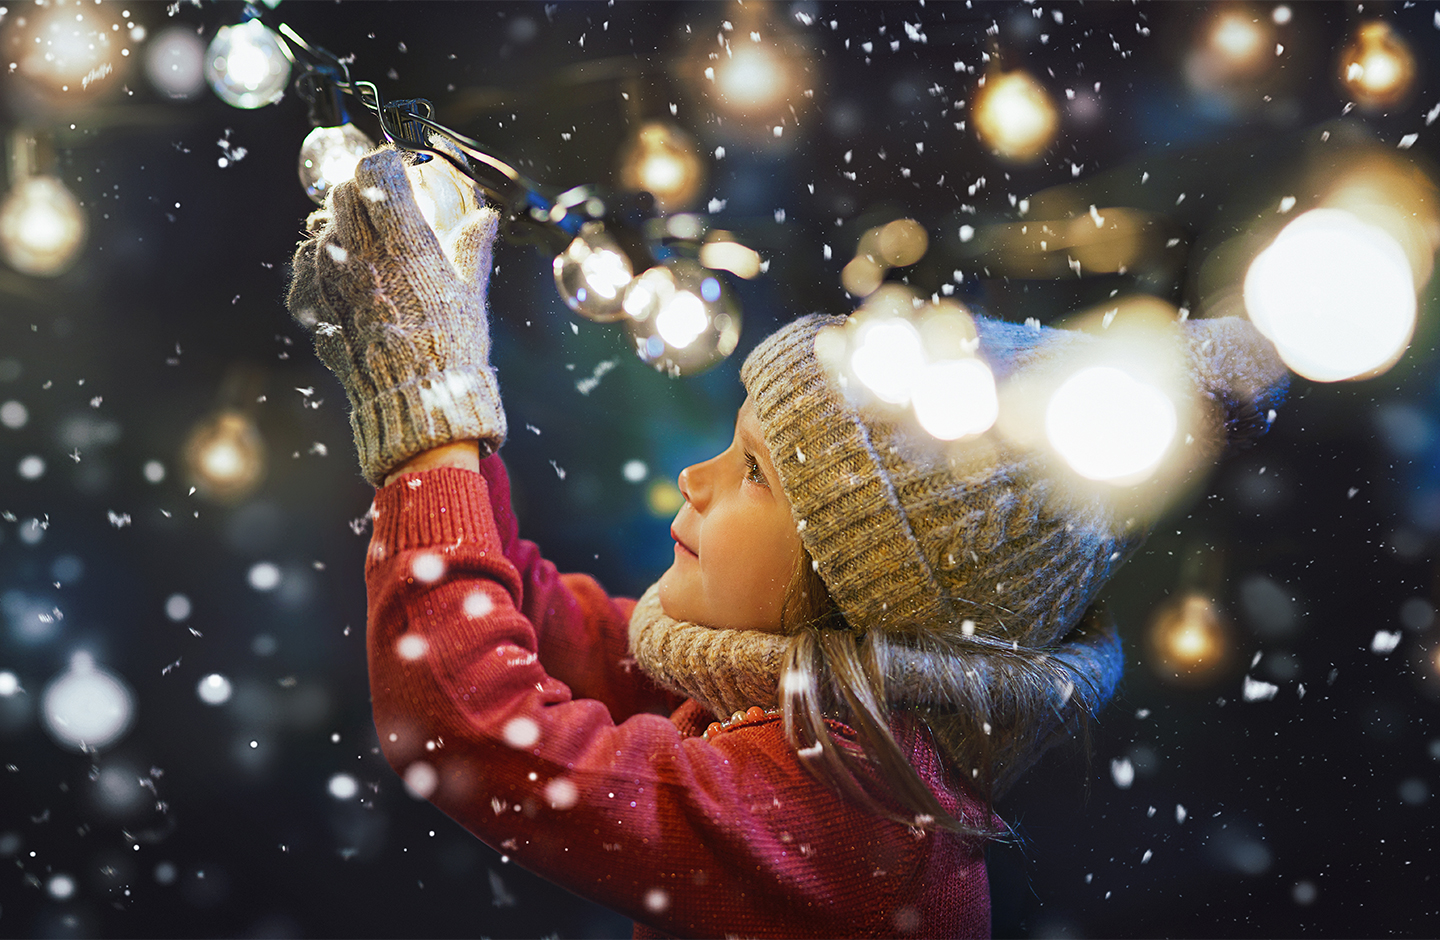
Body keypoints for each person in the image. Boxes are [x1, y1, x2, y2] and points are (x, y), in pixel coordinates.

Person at [288, 144, 1287, 939]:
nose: (699, 477)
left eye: (755, 472)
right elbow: (546, 631)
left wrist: (429, 421)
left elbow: (474, 730)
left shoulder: (847, 823)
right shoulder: (816, 718)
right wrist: (434, 409)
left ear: (860, 584)